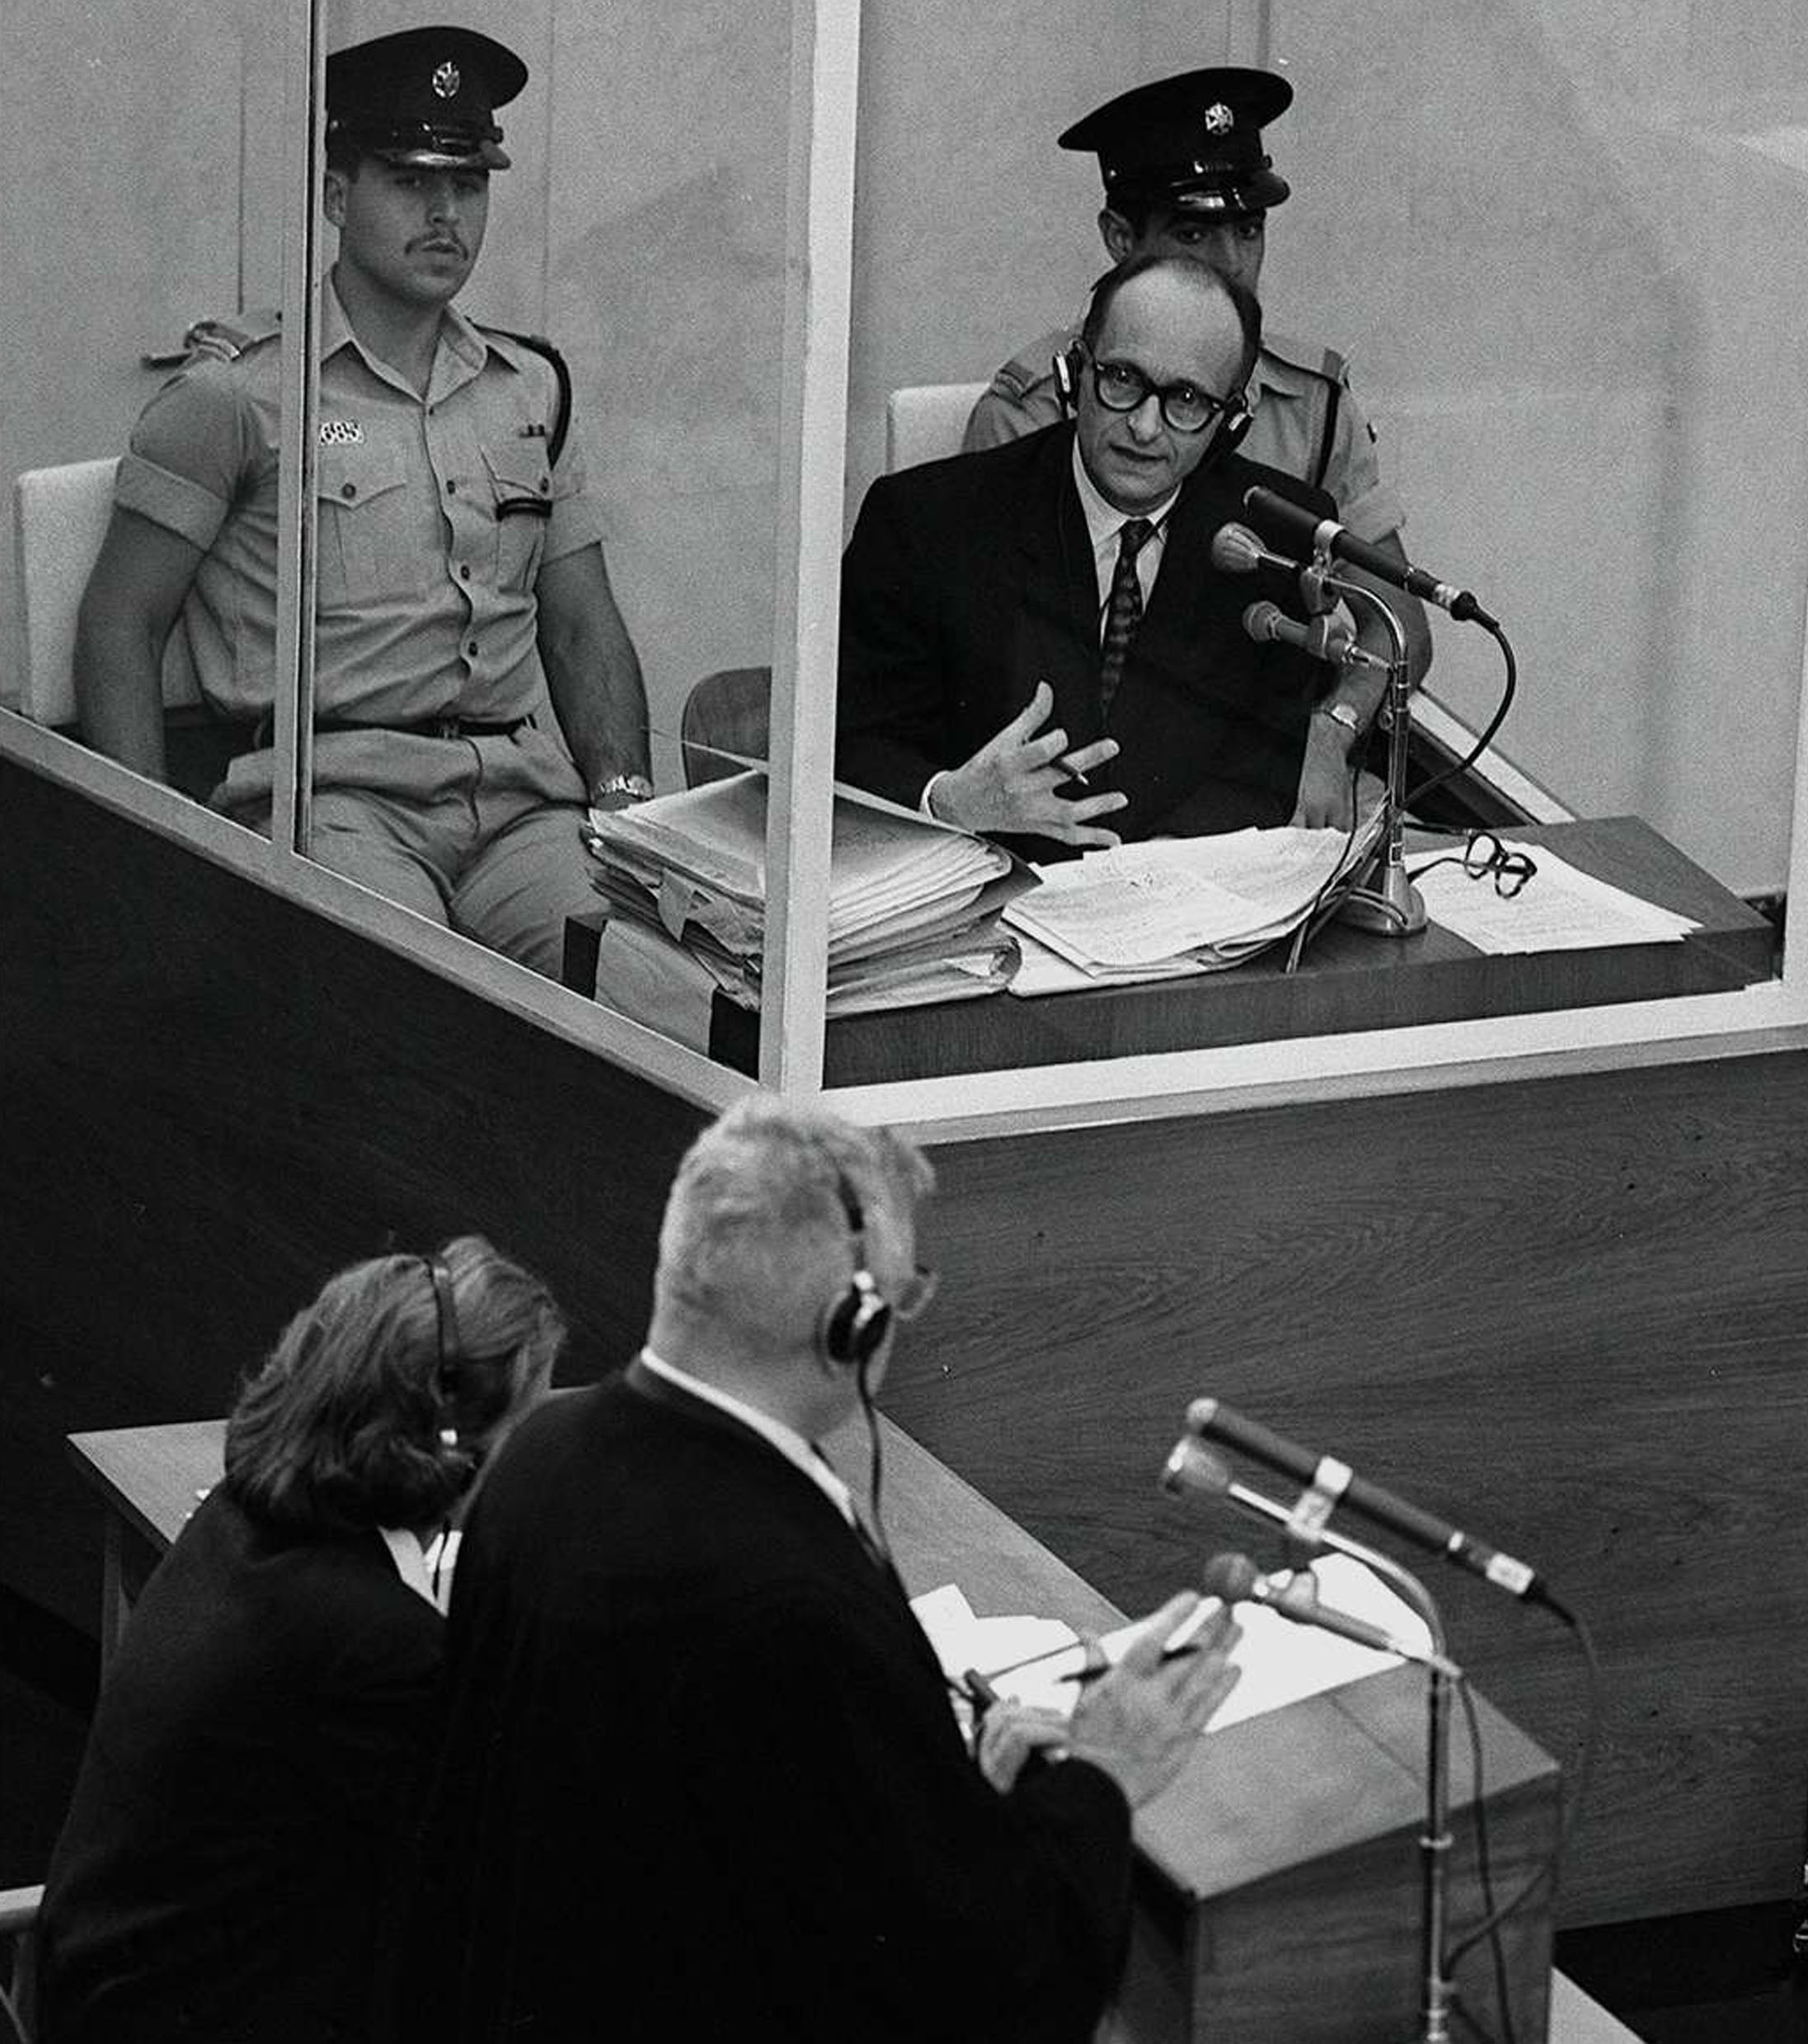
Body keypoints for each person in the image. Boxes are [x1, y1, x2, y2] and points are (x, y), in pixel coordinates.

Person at [382, 1093, 1240, 2042]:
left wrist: (948, 1800)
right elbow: (982, 1987)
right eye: (903, 1297)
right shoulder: (786, 1595)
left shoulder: (544, 1454)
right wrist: (1103, 1772)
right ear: (849, 1324)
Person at [74, 25, 655, 977]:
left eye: (467, 187)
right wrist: (155, 861)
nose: (446, 215)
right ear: (339, 198)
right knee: (404, 1006)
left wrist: (628, 806)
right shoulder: (242, 396)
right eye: (412, 182)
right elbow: (118, 622)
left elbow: (583, 625)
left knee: (650, 985)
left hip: (520, 805)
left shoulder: (528, 390)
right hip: (330, 800)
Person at [34, 1238, 564, 2044]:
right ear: (450, 1446)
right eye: (530, 1422)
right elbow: (511, 1843)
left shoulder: (239, 1515)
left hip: (100, 1990)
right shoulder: (372, 1641)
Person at [838, 253, 1364, 852]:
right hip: (980, 898)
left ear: (1231, 421)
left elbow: (1265, 759)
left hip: (1182, 907)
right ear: (1074, 375)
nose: (1144, 426)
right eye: (1122, 379)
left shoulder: (1277, 537)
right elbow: (846, 742)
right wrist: (947, 799)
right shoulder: (922, 521)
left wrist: (1164, 872)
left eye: (1187, 399)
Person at [965, 66, 1433, 715]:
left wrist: (1339, 725)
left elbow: (1397, 622)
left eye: (1249, 230)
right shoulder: (1037, 405)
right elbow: (980, 649)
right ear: (1121, 239)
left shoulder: (1312, 404)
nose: (1232, 264)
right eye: (1192, 234)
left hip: (1258, 756)